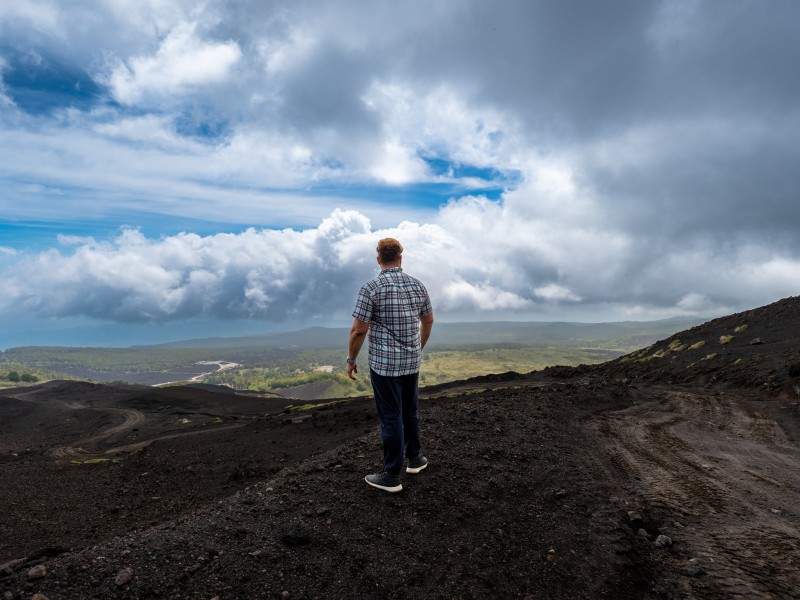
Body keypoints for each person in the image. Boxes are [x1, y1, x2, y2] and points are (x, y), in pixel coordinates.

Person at [347, 238, 434, 493]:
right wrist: (418, 346)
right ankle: (416, 459)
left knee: (391, 416)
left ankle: (391, 475)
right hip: (411, 361)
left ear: (378, 259)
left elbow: (358, 330)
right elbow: (428, 320)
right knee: (410, 410)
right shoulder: (417, 285)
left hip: (385, 366)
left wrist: (351, 360)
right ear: (400, 257)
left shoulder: (371, 288)